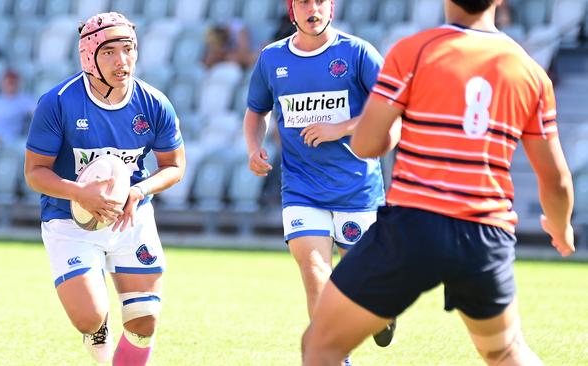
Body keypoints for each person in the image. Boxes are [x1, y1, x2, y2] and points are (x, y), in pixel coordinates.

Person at [302, 1, 575, 365]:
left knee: (322, 345)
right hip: (484, 234)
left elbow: (367, 144)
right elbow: (555, 179)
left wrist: (385, 134)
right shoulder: (529, 71)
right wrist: (560, 228)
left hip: (415, 225)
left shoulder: (414, 51)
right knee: (505, 351)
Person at [24, 12, 185, 366]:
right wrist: (81, 194)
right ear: (89, 56)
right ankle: (97, 332)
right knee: (90, 316)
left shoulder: (154, 103)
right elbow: (35, 173)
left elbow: (174, 166)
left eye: (128, 49)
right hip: (70, 221)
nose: (122, 60)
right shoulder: (59, 102)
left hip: (132, 219)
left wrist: (139, 192)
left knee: (144, 323)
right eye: (110, 52)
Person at [243, 1, 398, 363]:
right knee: (315, 272)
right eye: (303, 2)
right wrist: (254, 147)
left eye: (319, 1)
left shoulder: (358, 53)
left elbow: (389, 108)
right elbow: (256, 112)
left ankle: (380, 314)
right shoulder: (272, 58)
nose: (312, 9)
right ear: (291, 9)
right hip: (301, 190)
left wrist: (339, 128)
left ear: (331, 7)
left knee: (364, 283)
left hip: (357, 189)